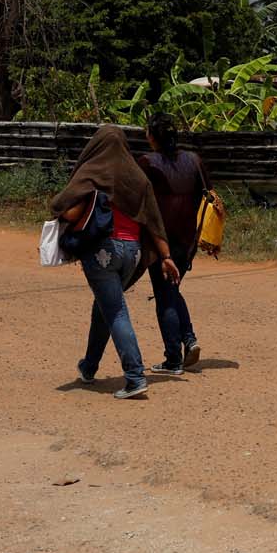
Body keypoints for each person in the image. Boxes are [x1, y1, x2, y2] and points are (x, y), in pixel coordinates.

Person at [51, 125, 181, 398]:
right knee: (105, 307)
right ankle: (89, 367)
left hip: (103, 253)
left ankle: (135, 377)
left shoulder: (93, 172)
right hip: (132, 254)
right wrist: (166, 257)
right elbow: (154, 222)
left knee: (116, 311)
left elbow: (67, 210)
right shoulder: (138, 178)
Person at [138, 112, 213, 376]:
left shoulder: (147, 162)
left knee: (165, 296)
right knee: (171, 289)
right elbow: (210, 196)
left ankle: (174, 358)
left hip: (161, 241)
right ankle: (188, 340)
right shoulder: (194, 160)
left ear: (151, 136)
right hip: (188, 238)